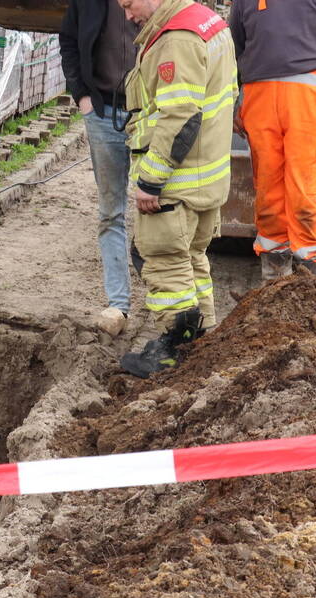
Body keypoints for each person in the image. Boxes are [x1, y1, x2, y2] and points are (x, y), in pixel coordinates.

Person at [117, 0, 238, 378]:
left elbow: (179, 117)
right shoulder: (207, 22)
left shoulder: (177, 40)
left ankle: (173, 353)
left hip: (175, 183)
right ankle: (204, 349)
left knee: (165, 262)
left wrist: (150, 180)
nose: (127, 15)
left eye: (128, 3)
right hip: (206, 176)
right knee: (193, 261)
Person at [229, 0, 316, 280]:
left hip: (306, 98)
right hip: (259, 97)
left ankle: (311, 284)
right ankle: (274, 283)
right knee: (267, 191)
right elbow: (235, 46)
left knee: (304, 191)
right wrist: (239, 96)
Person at [60, 0, 140, 336]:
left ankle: (169, 299)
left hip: (150, 114)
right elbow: (68, 40)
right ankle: (118, 303)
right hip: (103, 112)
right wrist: (81, 95)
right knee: (111, 212)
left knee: (161, 204)